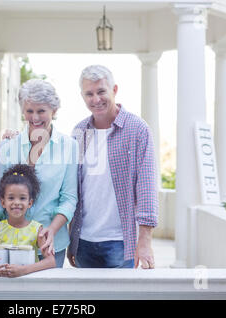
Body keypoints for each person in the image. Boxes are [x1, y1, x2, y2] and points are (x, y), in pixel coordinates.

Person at [0, 79, 78, 268]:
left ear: (54, 111)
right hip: (10, 242)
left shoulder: (69, 146)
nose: (35, 117)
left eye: (41, 111)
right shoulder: (8, 146)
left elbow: (69, 198)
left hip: (50, 243)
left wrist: (51, 231)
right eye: (29, 111)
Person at [67, 65, 158, 269]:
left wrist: (144, 241)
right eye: (89, 94)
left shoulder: (137, 129)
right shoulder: (79, 131)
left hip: (121, 242)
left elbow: (146, 187)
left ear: (114, 90)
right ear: (82, 96)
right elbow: (74, 188)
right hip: (84, 241)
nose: (96, 99)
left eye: (101, 91)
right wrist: (71, 240)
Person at [0, 164, 56, 277]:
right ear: (3, 202)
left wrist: (24, 270)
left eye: (22, 198)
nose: (16, 202)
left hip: (29, 285)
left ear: (30, 203)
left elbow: (51, 261)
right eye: (11, 198)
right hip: (2, 286)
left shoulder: (38, 230)